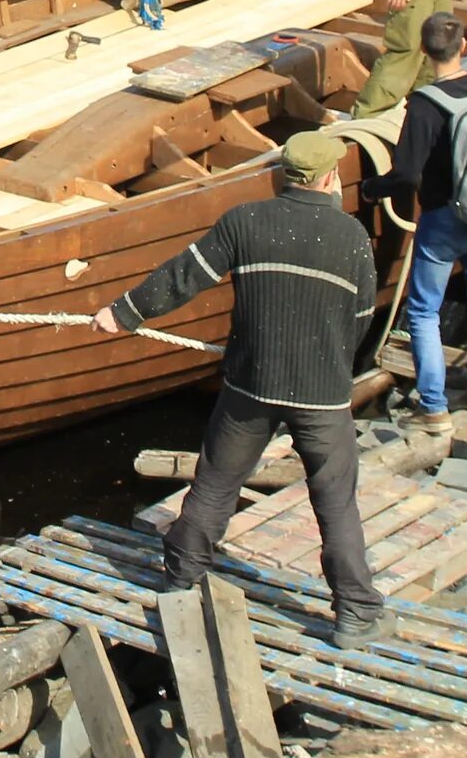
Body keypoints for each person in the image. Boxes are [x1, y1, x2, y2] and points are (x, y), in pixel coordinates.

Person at [93, 132, 393, 647]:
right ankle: (356, 613)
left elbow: (182, 276)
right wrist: (331, 360)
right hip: (322, 395)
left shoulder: (244, 221)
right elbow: (361, 317)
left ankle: (181, 578)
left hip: (249, 386)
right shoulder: (351, 238)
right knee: (335, 500)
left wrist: (122, 313)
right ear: (328, 179)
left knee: (215, 483)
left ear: (282, 176)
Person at [367, 12, 467, 434]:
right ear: (463, 46)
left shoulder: (426, 104)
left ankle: (433, 408)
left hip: (443, 219)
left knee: (425, 311)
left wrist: (373, 189)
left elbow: (408, 174)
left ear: (424, 52)